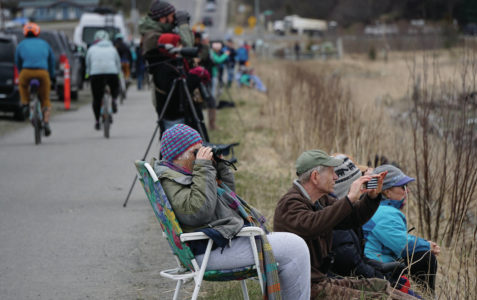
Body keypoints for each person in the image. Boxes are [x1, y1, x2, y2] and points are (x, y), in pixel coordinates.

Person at [153, 124, 311, 300]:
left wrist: (220, 168)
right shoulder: (172, 180)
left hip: (215, 243)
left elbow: (227, 202)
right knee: (296, 247)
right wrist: (203, 168)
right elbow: (199, 213)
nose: (201, 155)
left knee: (292, 248)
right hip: (208, 250)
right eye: (195, 152)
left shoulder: (180, 174)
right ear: (178, 156)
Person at [273, 150, 412, 299]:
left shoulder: (320, 200)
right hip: (304, 288)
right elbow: (313, 224)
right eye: (331, 172)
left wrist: (371, 198)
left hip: (320, 280)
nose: (336, 177)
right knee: (380, 297)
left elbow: (353, 218)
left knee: (382, 286)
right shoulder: (290, 204)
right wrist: (350, 198)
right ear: (315, 176)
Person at [330, 154, 422, 299]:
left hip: (362, 275)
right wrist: (382, 277)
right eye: (361, 184)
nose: (365, 189)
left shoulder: (348, 214)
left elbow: (358, 258)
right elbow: (352, 266)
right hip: (349, 283)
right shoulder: (340, 220)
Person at [363, 164, 440, 295]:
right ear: (387, 191)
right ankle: (429, 295)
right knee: (425, 257)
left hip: (371, 261)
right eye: (403, 187)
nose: (407, 191)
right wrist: (426, 245)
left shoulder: (373, 207)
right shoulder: (385, 212)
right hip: (376, 266)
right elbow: (401, 244)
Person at [139, 1, 205, 137]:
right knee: (174, 139)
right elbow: (188, 45)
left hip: (171, 93)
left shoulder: (158, 31)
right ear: (163, 18)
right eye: (171, 16)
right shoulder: (154, 36)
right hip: (169, 95)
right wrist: (183, 25)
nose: (174, 19)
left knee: (175, 136)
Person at [15, 22, 55, 136]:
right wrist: (51, 75)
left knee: (22, 86)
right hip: (43, 73)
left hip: (26, 72)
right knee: (45, 98)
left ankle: (25, 104)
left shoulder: (21, 45)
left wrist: (20, 72)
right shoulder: (44, 43)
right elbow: (51, 60)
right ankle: (46, 123)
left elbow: (18, 62)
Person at [85, 30, 121, 130]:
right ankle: (114, 99)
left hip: (96, 74)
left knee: (96, 99)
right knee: (115, 88)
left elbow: (88, 65)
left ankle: (97, 121)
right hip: (111, 73)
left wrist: (87, 75)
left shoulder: (91, 49)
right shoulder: (113, 48)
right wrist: (118, 74)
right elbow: (118, 63)